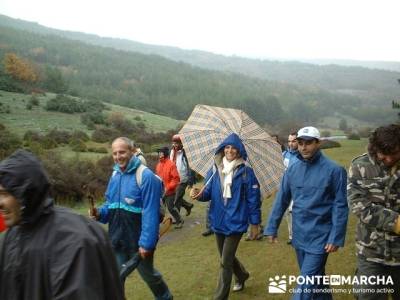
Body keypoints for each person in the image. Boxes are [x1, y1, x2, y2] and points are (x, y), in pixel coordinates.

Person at [0, 149, 124, 300]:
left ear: (26, 193)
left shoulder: (73, 240)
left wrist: (146, 241)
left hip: (127, 233)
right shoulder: (12, 236)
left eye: (5, 194)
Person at [264, 126, 348, 300]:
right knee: (317, 281)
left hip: (321, 238)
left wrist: (335, 237)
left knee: (305, 284)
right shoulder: (292, 171)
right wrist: (272, 227)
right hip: (299, 235)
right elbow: (282, 200)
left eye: (308, 143)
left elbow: (340, 206)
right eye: (300, 143)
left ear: (318, 143)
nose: (303, 147)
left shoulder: (335, 171)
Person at [89, 137, 172, 300]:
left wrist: (146, 244)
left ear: (132, 152)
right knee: (115, 280)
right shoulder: (115, 175)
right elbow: (110, 205)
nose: (118, 156)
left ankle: (165, 297)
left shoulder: (146, 177)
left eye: (122, 152)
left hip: (138, 242)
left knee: (150, 276)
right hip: (117, 239)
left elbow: (150, 213)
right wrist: (100, 213)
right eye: (115, 153)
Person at [190, 133, 261, 300]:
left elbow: (253, 200)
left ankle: (220, 297)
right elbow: (207, 193)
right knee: (225, 256)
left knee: (225, 262)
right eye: (227, 147)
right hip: (218, 219)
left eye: (234, 148)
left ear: (239, 150)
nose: (230, 150)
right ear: (222, 149)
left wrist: (255, 224)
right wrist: (198, 194)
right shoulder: (214, 169)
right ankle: (242, 275)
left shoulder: (246, 172)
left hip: (236, 221)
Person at [348, 124, 400, 300]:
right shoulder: (359, 166)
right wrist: (396, 222)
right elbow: (358, 205)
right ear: (374, 147)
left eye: (394, 153)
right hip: (371, 254)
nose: (387, 158)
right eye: (383, 154)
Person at [156, 146, 184, 229]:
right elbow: (158, 178)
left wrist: (168, 187)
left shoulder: (171, 164)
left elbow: (176, 178)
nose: (159, 154)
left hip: (170, 191)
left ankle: (179, 220)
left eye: (161, 153)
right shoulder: (158, 165)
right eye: (159, 153)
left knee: (171, 208)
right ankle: (159, 223)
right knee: (160, 208)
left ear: (165, 154)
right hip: (161, 191)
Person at [170, 134, 194, 216]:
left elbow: (190, 167)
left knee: (176, 199)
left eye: (177, 143)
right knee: (175, 197)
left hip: (183, 179)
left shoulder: (185, 153)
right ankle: (188, 206)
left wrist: (190, 181)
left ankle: (177, 219)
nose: (175, 145)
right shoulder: (172, 152)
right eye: (174, 143)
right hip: (173, 179)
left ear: (181, 143)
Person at [282, 131, 299, 244]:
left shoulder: (302, 156)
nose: (291, 143)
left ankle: (298, 236)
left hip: (298, 189)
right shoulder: (284, 155)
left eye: (294, 141)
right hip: (285, 189)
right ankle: (292, 236)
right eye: (289, 141)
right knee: (287, 213)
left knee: (295, 212)